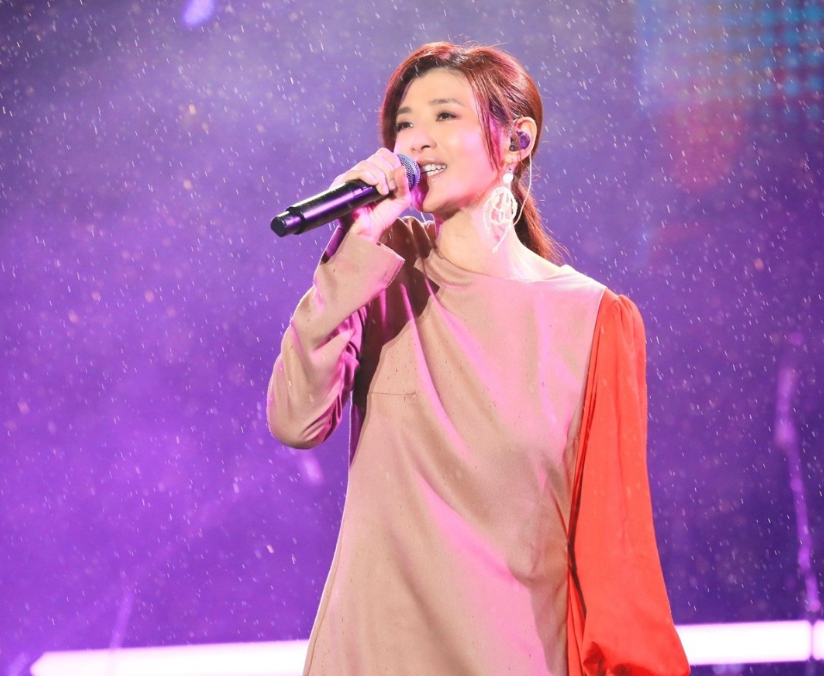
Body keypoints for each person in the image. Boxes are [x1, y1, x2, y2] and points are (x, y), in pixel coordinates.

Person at [267, 42, 689, 676]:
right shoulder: (379, 273)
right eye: (404, 124)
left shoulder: (591, 319)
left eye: (444, 115)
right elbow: (295, 420)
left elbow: (615, 552)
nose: (416, 139)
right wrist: (354, 242)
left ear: (517, 141)